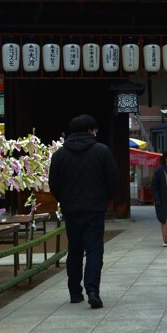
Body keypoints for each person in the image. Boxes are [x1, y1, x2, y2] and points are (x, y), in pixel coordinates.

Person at [49, 114, 119, 309]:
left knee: (75, 250)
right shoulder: (102, 151)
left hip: (71, 209)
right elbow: (113, 179)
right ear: (91, 130)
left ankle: (74, 292)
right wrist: (105, 199)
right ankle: (92, 290)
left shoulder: (60, 154)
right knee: (95, 249)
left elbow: (53, 183)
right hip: (95, 209)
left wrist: (63, 199)